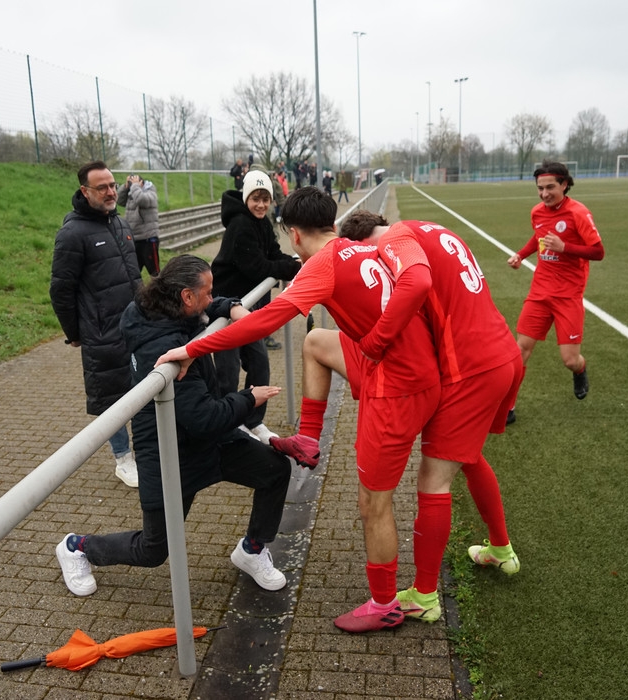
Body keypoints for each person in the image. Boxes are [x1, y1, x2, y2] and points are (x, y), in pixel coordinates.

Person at [156, 187, 443, 632]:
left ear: (293, 234)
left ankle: (385, 603)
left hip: (396, 389)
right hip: (420, 372)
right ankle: (308, 435)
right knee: (316, 341)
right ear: (333, 222)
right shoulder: (358, 247)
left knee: (373, 502)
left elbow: (263, 322)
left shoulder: (321, 265)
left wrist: (192, 347)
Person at [55, 255, 292, 597]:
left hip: (208, 440)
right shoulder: (161, 345)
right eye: (207, 293)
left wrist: (232, 305)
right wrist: (248, 398)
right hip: (170, 454)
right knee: (152, 550)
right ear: (186, 296)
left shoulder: (166, 307)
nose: (211, 299)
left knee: (274, 470)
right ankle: (77, 547)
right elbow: (204, 417)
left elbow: (209, 308)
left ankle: (252, 551)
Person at [339, 212, 523, 622]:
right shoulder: (430, 228)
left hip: (470, 369)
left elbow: (415, 287)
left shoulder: (392, 243)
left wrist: (375, 341)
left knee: (433, 481)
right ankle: (500, 549)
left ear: (367, 244)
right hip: (503, 354)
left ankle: (423, 596)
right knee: (469, 456)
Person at [50, 160, 142, 488]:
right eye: (101, 187)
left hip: (134, 325)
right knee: (112, 398)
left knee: (143, 387)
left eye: (113, 185)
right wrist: (75, 334)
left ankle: (144, 451)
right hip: (101, 332)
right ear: (84, 191)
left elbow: (133, 276)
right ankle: (123, 458)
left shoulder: (119, 223)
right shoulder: (72, 233)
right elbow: (60, 289)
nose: (110, 192)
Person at [506, 160, 605, 423]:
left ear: (564, 184)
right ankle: (508, 408)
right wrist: (521, 254)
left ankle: (580, 370)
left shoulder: (578, 213)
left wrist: (565, 248)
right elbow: (538, 236)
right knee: (521, 350)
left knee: (569, 359)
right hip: (540, 291)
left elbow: (598, 252)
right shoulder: (537, 212)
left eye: (550, 187)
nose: (544, 194)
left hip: (568, 295)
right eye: (540, 188)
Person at [211, 169, 301, 443]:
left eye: (265, 199)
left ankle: (253, 421)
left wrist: (295, 264)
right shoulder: (240, 224)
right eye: (255, 198)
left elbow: (272, 253)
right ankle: (227, 424)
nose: (261, 204)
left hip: (248, 310)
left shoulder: (261, 223)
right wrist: (288, 267)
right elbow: (255, 267)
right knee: (227, 372)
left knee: (260, 363)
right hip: (225, 309)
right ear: (246, 197)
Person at [116, 173, 161, 276]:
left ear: (141, 182)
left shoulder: (150, 192)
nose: (132, 185)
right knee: (133, 272)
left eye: (134, 182)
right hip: (134, 239)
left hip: (148, 239)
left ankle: (160, 291)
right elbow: (119, 200)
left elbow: (141, 200)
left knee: (155, 273)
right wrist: (126, 187)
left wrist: (135, 186)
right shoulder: (132, 193)